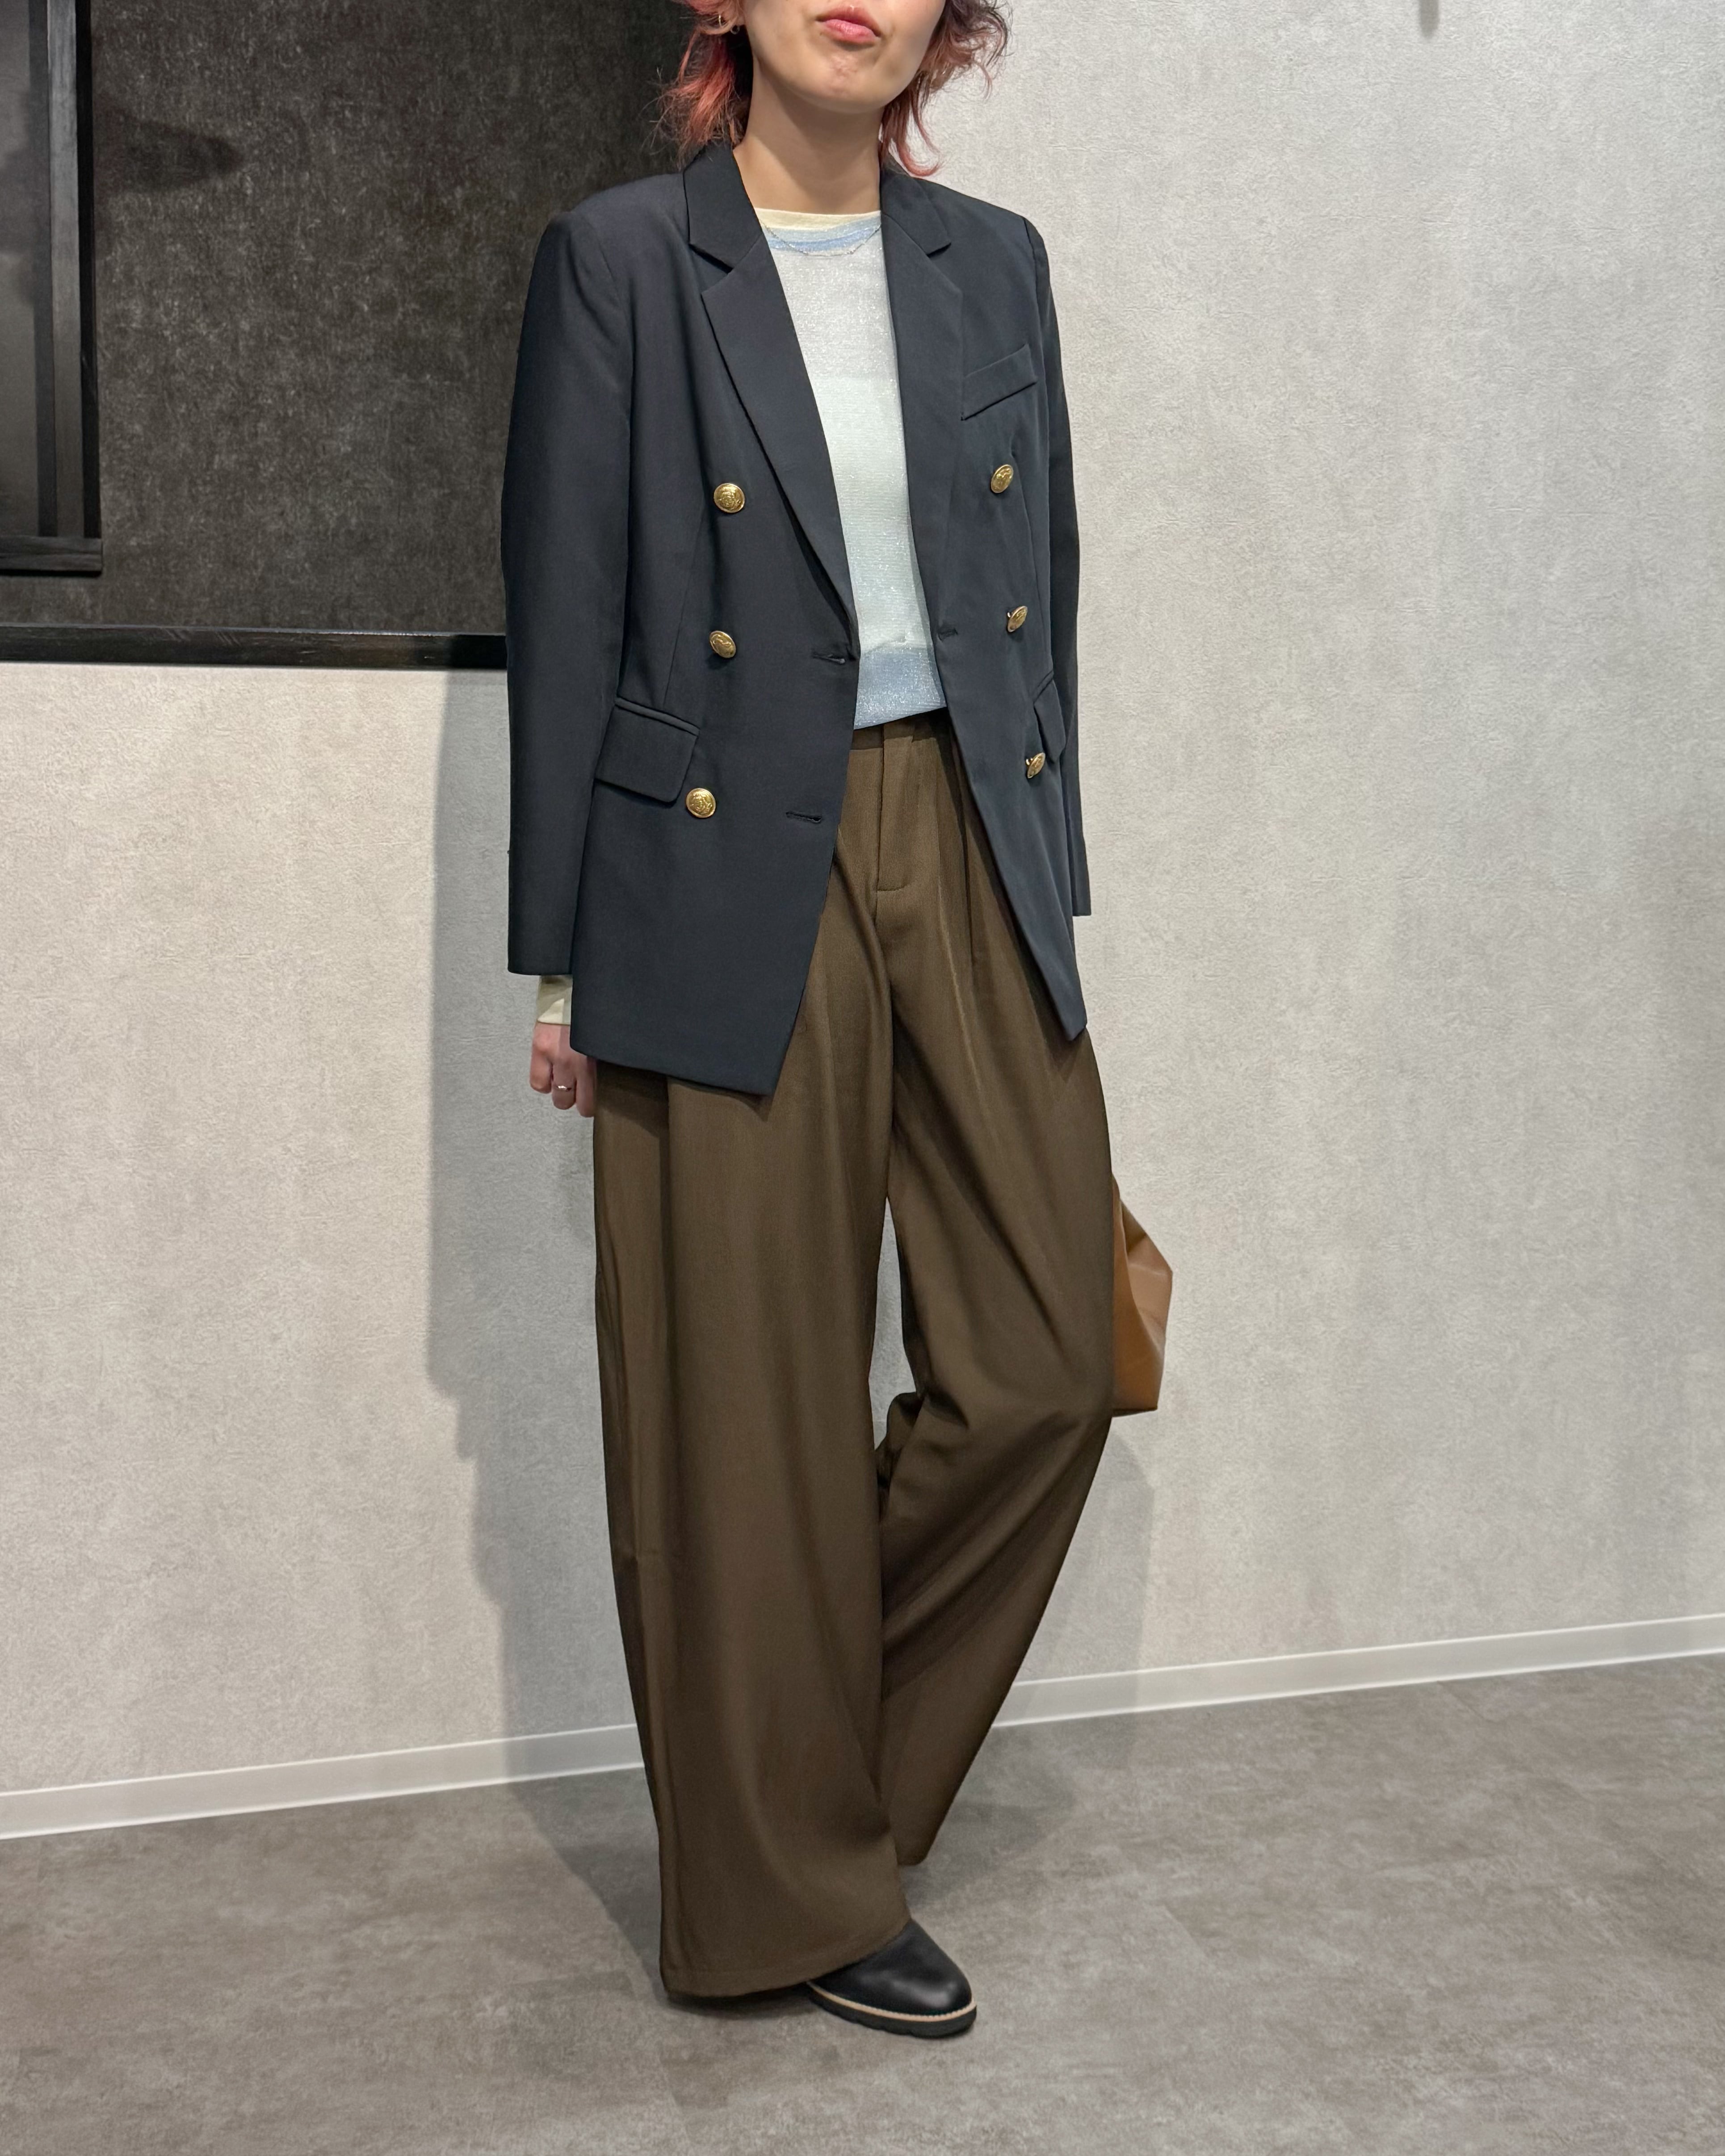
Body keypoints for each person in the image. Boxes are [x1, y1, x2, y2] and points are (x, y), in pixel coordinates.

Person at [501, 0, 1114, 2039]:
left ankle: (807, 1785)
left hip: (968, 825)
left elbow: (1045, 587)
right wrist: (568, 957)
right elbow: (569, 604)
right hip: (713, 853)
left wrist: (1048, 872)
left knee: (1047, 1362)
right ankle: (786, 1890)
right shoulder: (622, 258)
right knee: (743, 1402)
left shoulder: (994, 262)